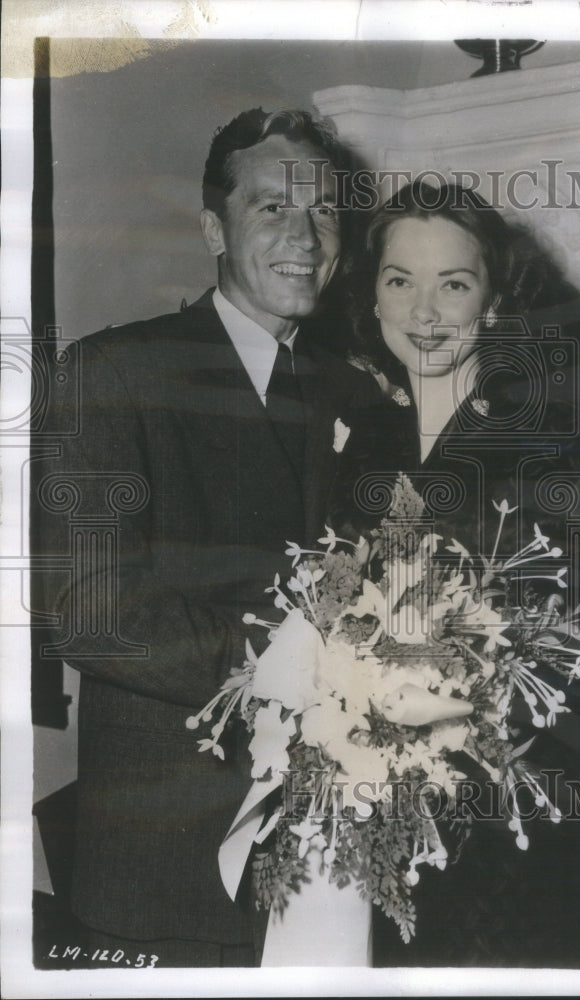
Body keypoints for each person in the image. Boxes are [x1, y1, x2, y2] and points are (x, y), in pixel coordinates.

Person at [33, 107, 379, 967]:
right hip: (166, 867)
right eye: (272, 208)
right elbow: (85, 609)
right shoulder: (113, 372)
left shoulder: (360, 393)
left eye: (324, 211)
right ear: (212, 228)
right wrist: (291, 662)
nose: (304, 236)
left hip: (331, 854)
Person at [330, 180, 580, 967]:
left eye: (454, 282)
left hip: (517, 839)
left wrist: (475, 715)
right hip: (366, 837)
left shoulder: (577, 445)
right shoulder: (359, 449)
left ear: (492, 304)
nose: (425, 311)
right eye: (399, 280)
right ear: (372, 300)